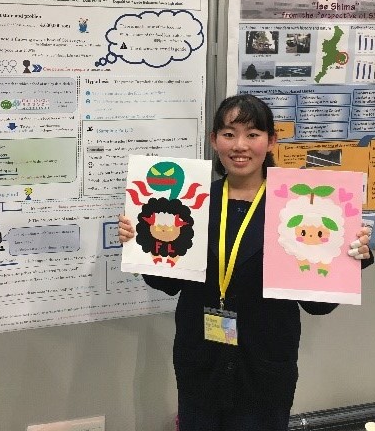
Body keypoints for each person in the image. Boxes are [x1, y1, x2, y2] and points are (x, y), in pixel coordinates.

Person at [118, 94, 373, 431]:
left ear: (271, 141)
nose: (240, 145)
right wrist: (140, 243)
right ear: (214, 140)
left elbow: (317, 306)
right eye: (229, 134)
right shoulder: (192, 204)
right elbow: (166, 283)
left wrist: (349, 257)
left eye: (253, 134)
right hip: (201, 360)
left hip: (265, 364)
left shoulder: (299, 209)